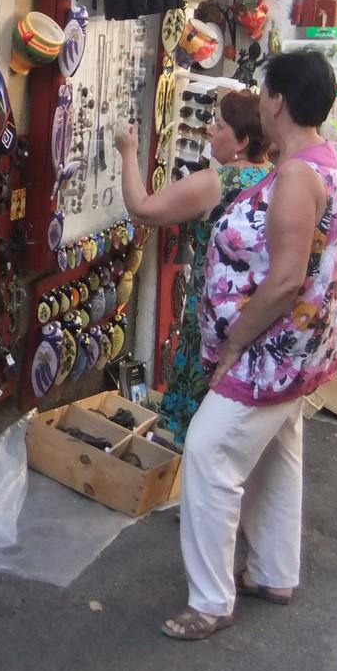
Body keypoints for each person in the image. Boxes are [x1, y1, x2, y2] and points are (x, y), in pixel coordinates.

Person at [164, 51, 337, 641]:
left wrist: (232, 345)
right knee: (279, 450)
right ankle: (273, 570)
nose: (261, 100)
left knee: (208, 452)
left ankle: (210, 600)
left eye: (265, 92)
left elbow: (287, 278)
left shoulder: (298, 175)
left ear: (277, 103)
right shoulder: (321, 159)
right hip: (302, 347)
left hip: (272, 351)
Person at [116, 92, 271, 445]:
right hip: (257, 317)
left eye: (218, 127)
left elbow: (142, 209)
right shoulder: (277, 180)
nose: (210, 133)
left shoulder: (216, 184)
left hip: (212, 318)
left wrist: (127, 151)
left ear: (242, 141)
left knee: (202, 424)